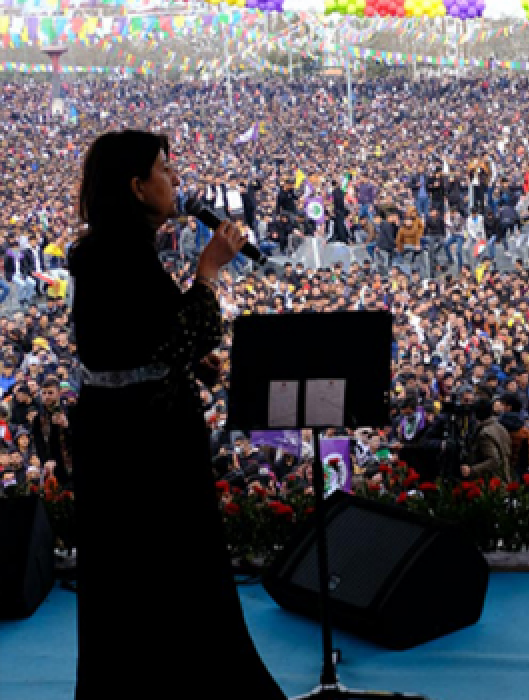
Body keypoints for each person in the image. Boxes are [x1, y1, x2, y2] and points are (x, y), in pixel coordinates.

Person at [67, 130, 284, 697]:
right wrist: (208, 270)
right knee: (173, 572)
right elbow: (181, 331)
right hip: (144, 444)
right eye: (164, 169)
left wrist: (178, 361)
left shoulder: (117, 249)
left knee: (139, 581)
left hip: (127, 431)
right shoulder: (117, 254)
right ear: (137, 187)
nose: (176, 180)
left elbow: (136, 342)